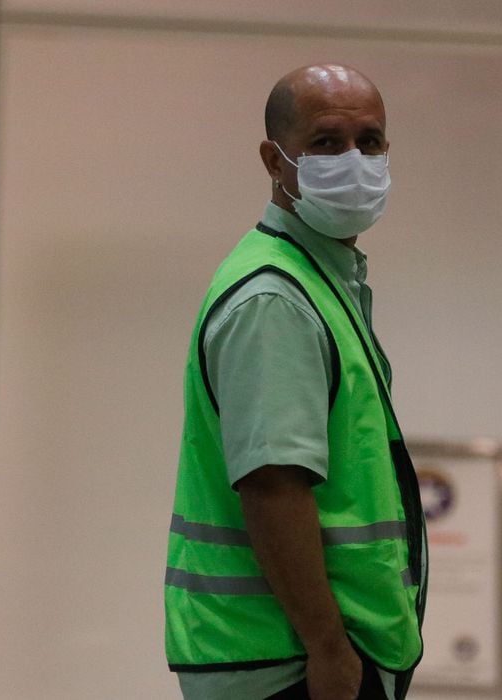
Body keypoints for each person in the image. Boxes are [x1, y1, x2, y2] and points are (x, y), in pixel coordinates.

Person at [164, 65, 428, 700]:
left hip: (304, 652)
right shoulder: (274, 298)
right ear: (274, 160)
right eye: (327, 142)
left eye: (370, 141)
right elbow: (273, 486)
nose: (355, 160)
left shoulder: (315, 279)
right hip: (290, 659)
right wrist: (327, 646)